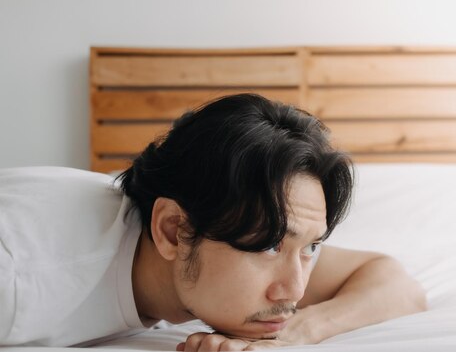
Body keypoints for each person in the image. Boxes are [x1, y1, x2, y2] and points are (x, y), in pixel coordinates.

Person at [0, 93, 426, 350]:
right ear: (173, 230)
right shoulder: (21, 276)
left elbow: (398, 285)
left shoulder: (240, 237)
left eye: (310, 247)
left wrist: (296, 333)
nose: (294, 290)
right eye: (267, 245)